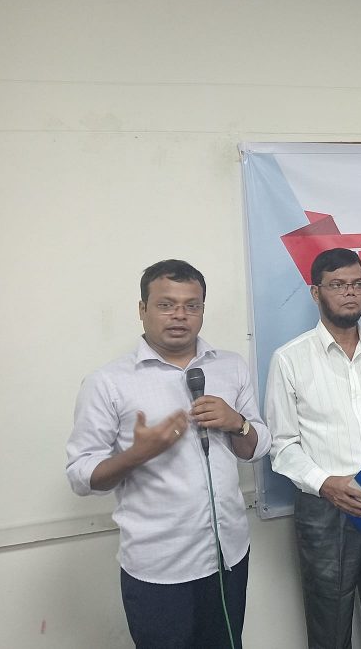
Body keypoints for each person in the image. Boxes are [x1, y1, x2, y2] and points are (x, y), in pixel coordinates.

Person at [66, 259, 269, 649]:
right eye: (166, 304)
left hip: (228, 556)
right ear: (142, 309)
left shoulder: (230, 366)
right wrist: (137, 454)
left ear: (203, 310)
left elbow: (256, 448)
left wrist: (237, 423)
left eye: (192, 305)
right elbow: (80, 475)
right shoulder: (107, 383)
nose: (180, 315)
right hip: (159, 568)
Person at [265, 248, 361, 649]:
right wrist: (326, 483)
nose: (350, 292)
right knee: (329, 630)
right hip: (325, 510)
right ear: (316, 292)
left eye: (358, 284)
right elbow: (282, 445)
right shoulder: (290, 359)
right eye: (338, 285)